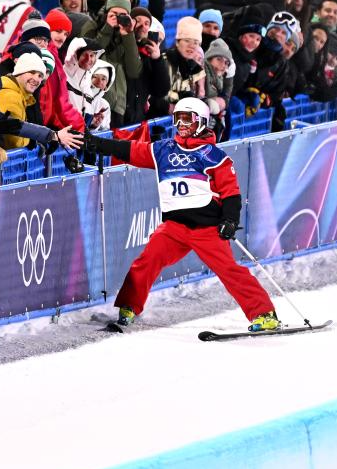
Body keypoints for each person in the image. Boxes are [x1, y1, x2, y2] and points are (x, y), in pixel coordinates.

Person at [82, 97, 279, 332]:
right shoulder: (163, 150)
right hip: (174, 228)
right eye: (178, 118)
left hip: (207, 229)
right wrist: (95, 143)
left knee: (229, 270)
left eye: (188, 119)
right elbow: (130, 150)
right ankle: (128, 307)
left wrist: (229, 220)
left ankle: (264, 314)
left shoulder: (214, 156)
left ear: (201, 122)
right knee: (146, 261)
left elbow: (231, 193)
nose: (181, 124)